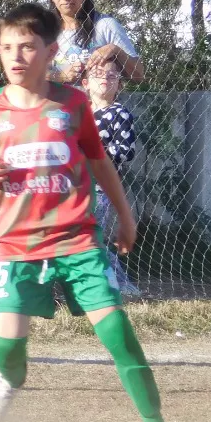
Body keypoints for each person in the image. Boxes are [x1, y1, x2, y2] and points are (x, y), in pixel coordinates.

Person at [0, 3, 193, 422]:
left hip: (77, 240)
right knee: (7, 347)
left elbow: (98, 160)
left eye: (28, 46)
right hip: (14, 245)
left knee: (118, 335)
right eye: (7, 46)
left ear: (51, 51)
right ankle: (9, 379)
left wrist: (125, 217)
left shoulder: (72, 104)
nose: (16, 55)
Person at [83, 57, 142, 299]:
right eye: (99, 74)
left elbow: (126, 151)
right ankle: (109, 283)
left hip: (101, 187)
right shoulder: (80, 112)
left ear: (119, 84)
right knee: (84, 237)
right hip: (75, 187)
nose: (105, 79)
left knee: (91, 237)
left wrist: (95, 156)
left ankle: (118, 285)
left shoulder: (119, 113)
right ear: (86, 83)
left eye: (112, 75)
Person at [47, 0, 143, 84]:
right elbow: (29, 74)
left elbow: (139, 76)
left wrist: (115, 50)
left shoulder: (105, 25)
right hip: (57, 102)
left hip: (97, 103)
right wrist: (60, 76)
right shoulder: (44, 30)